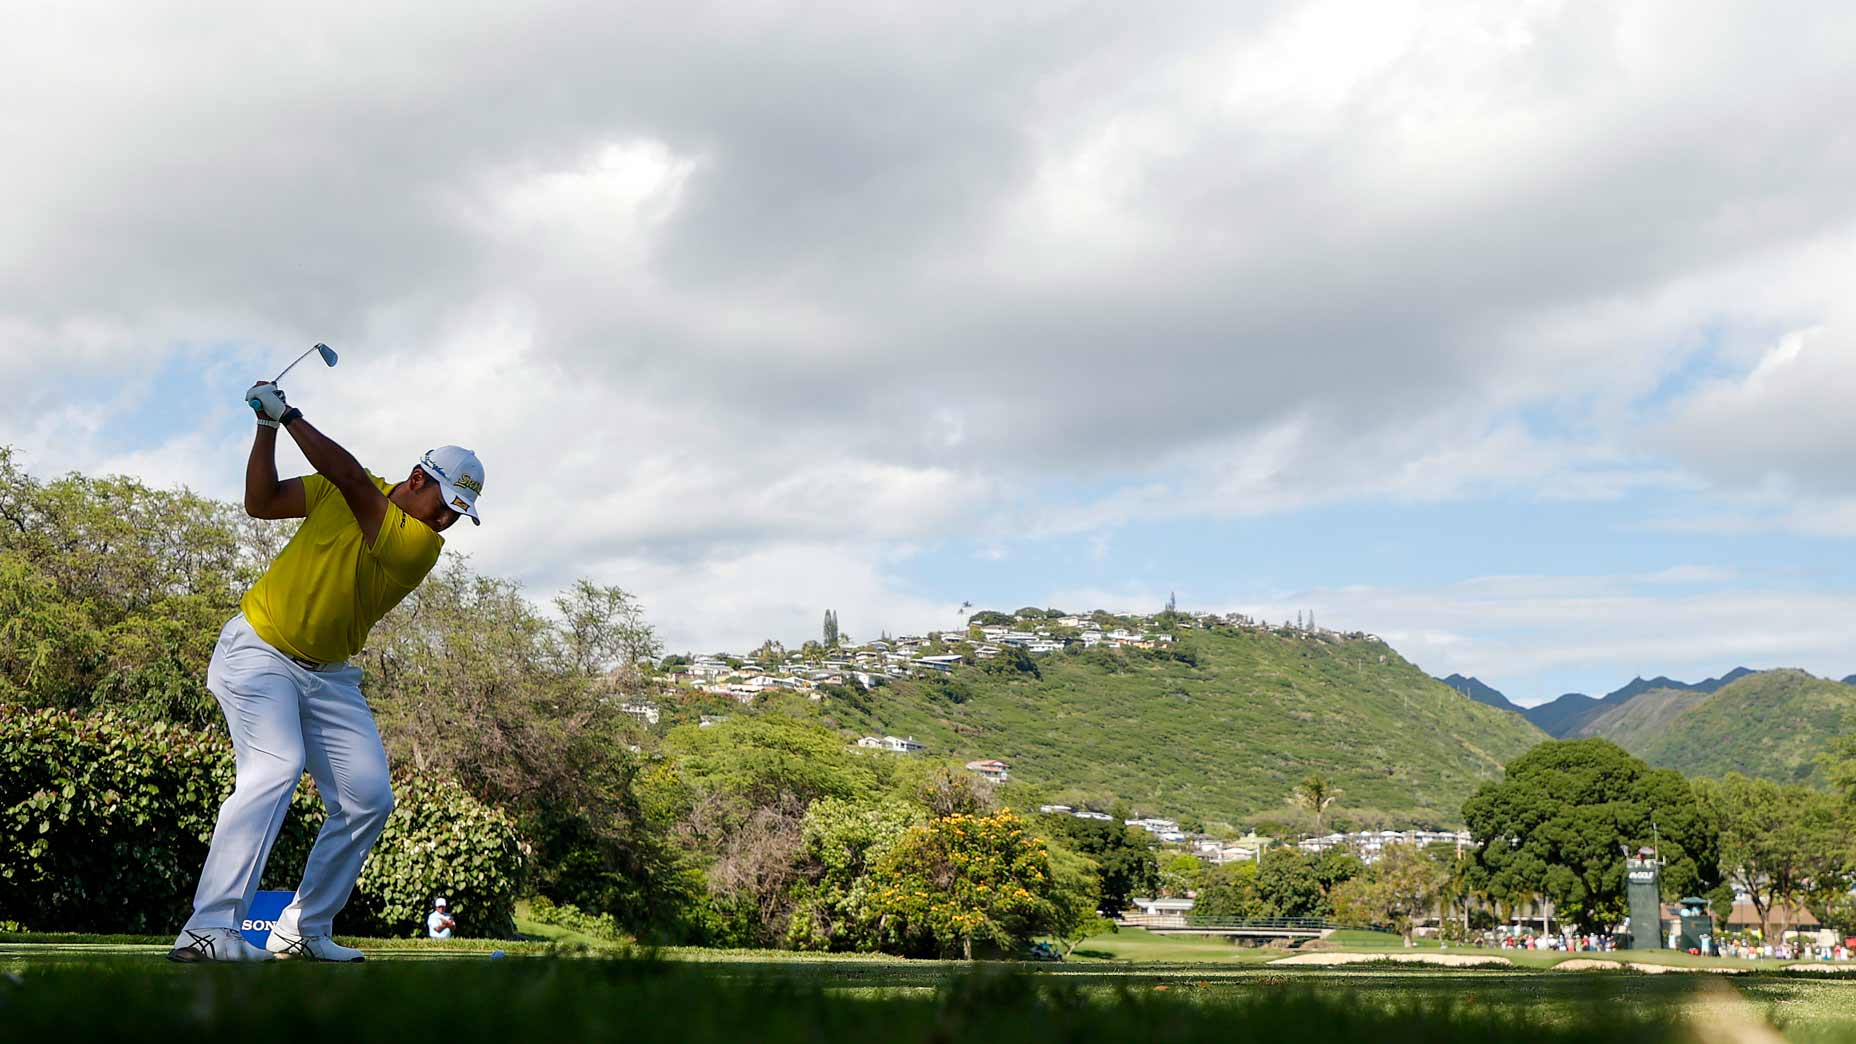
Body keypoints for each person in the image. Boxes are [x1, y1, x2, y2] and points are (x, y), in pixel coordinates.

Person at [166, 378, 484, 963]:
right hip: (258, 648)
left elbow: (354, 480)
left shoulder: (418, 545)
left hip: (327, 675)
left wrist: (287, 415)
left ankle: (302, 928)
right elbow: (261, 503)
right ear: (416, 479)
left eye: (458, 516)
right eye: (443, 506)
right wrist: (266, 430)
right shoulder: (342, 491)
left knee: (368, 799)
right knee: (274, 767)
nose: (445, 522)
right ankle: (207, 929)